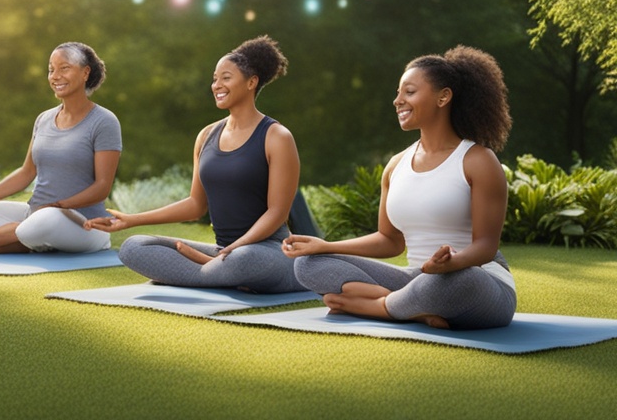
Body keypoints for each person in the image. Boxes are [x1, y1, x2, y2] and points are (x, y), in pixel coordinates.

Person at [282, 45, 514, 330]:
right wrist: (325, 246)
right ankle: (413, 309)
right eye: (398, 93)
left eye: (409, 92)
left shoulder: (478, 160)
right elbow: (389, 240)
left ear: (444, 97)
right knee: (308, 264)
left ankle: (379, 306)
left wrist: (452, 263)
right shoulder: (396, 165)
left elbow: (486, 247)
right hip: (417, 279)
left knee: (456, 281)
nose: (398, 101)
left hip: (476, 280)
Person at [84, 35, 307, 294]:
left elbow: (277, 212)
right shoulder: (206, 136)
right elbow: (195, 205)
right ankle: (214, 271)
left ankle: (205, 271)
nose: (216, 85)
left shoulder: (277, 137)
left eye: (226, 77)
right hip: (222, 252)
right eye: (214, 78)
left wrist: (234, 249)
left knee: (245, 260)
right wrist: (132, 220)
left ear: (251, 82)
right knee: (134, 247)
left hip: (268, 252)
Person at [0, 42, 121, 254]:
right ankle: (22, 238)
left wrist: (59, 205)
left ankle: (12, 237)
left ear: (85, 72)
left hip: (86, 224)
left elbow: (102, 186)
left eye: (64, 68)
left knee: (46, 220)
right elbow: (26, 172)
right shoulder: (44, 119)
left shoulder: (104, 121)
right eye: (51, 70)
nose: (55, 76)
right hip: (36, 213)